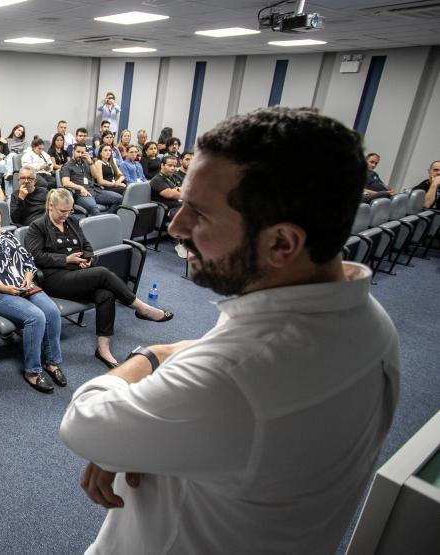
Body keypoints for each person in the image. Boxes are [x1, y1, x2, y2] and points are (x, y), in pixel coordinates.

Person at [59, 106, 400, 555]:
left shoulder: (234, 376)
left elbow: (84, 420)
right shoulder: (372, 323)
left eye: (199, 214)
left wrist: (156, 353)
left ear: (282, 243)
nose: (176, 226)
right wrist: (128, 445)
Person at [25, 188, 172, 368]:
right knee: (102, 273)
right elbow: (34, 256)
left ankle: (103, 349)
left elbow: (86, 245)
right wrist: (66, 259)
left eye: (69, 210)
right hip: (54, 278)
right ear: (50, 206)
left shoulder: (72, 221)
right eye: (62, 211)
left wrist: (88, 259)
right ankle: (143, 309)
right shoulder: (38, 226)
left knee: (105, 295)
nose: (66, 214)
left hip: (78, 273)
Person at [0, 204, 66, 393]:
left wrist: (28, 279)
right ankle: (32, 371)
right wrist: (5, 288)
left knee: (51, 311)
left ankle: (51, 362)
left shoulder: (8, 237)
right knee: (36, 316)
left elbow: (27, 259)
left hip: (23, 287)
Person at [61, 142, 122, 216]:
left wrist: (90, 162)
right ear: (73, 151)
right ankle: (100, 225)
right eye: (78, 152)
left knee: (119, 199)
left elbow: (96, 176)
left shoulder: (87, 162)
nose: (80, 154)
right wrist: (80, 187)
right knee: (94, 208)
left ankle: (108, 219)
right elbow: (65, 182)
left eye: (82, 152)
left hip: (94, 190)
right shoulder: (67, 166)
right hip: (81, 194)